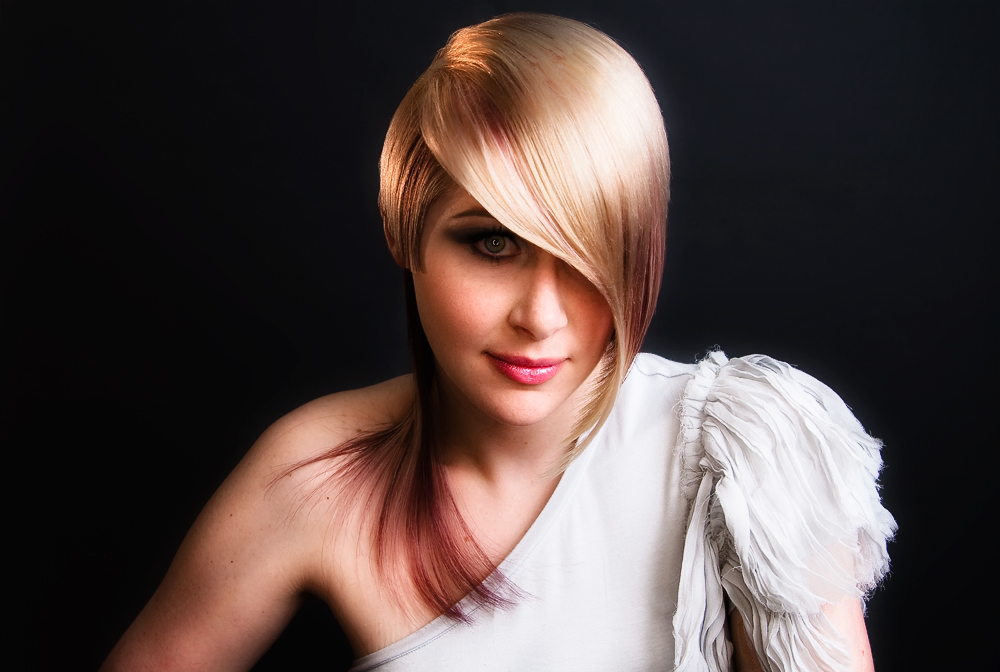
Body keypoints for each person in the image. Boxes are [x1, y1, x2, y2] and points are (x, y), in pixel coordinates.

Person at [101, 13, 895, 672]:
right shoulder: (319, 476)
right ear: (403, 229)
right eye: (492, 242)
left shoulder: (744, 459)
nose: (541, 316)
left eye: (587, 254)